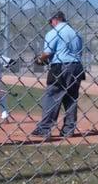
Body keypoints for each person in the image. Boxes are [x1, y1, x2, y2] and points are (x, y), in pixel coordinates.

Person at [31, 11, 85, 139]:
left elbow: (48, 53)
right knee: (71, 98)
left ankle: (44, 129)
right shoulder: (76, 33)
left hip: (60, 67)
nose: (50, 24)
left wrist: (39, 59)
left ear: (56, 20)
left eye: (51, 21)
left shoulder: (53, 32)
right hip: (77, 66)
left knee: (52, 96)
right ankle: (68, 130)